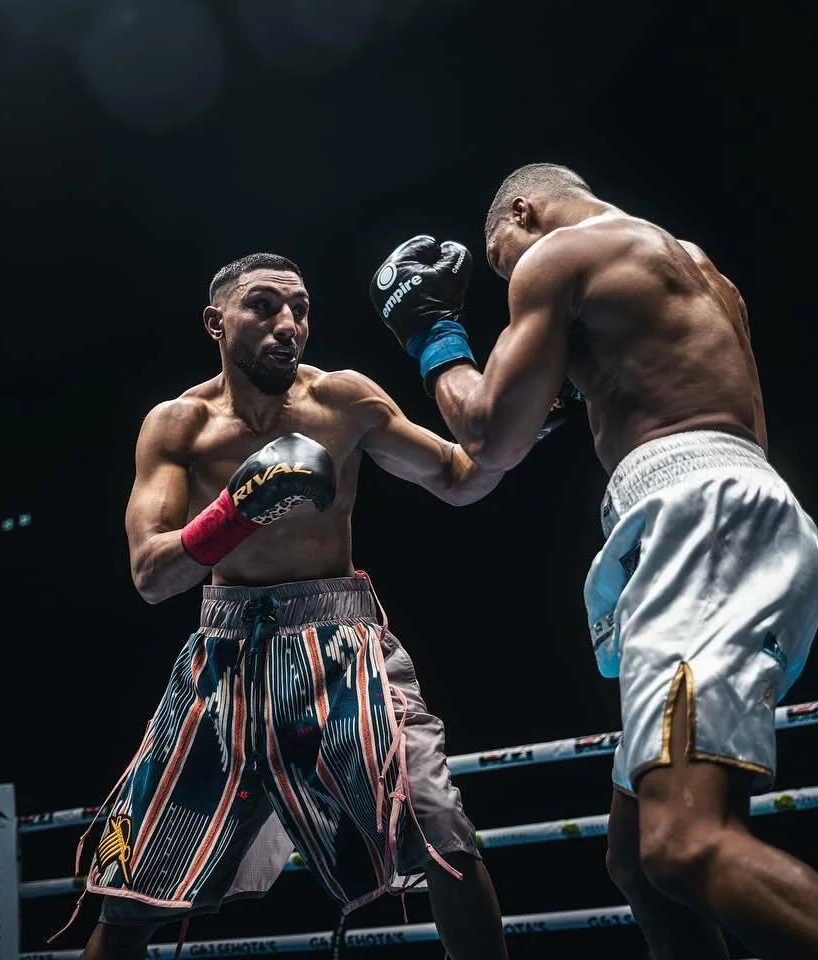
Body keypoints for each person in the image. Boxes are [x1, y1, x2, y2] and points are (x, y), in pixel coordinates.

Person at [367, 164, 818, 959]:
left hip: (696, 530)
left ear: (523, 211)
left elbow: (485, 435)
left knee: (684, 846)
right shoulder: (695, 266)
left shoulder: (558, 255)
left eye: (502, 258)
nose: (513, 280)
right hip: (738, 515)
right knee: (639, 863)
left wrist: (432, 332)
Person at [66, 251, 569, 960]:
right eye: (264, 306)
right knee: (131, 893)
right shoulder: (177, 427)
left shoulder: (345, 401)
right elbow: (151, 575)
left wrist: (525, 427)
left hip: (341, 646)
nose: (288, 324)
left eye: (300, 309)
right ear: (215, 321)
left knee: (440, 831)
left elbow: (458, 478)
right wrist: (238, 510)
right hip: (224, 658)